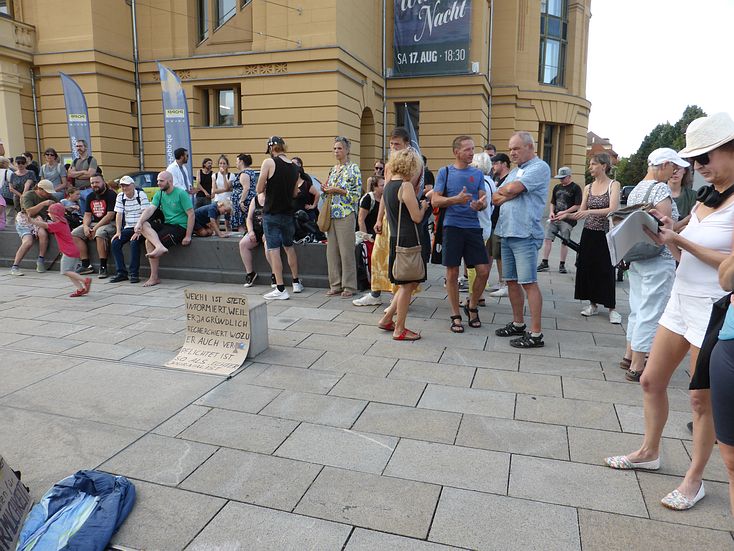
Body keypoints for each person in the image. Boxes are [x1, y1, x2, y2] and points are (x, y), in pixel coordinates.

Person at [604, 112, 734, 511]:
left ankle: (694, 480)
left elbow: (728, 268)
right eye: (694, 159)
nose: (698, 166)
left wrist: (681, 240)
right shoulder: (708, 197)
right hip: (680, 300)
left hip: (713, 310)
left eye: (705, 157)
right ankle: (650, 451)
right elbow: (683, 254)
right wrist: (667, 235)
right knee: (650, 379)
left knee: (700, 401)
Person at [620, 148, 686, 381]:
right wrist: (686, 222)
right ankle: (637, 365)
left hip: (639, 256)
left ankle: (629, 355)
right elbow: (664, 230)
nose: (675, 172)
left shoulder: (637, 188)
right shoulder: (660, 189)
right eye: (674, 167)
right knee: (651, 311)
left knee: (638, 308)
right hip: (658, 258)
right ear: (664, 164)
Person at [492, 131, 551, 347]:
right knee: (511, 281)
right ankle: (518, 324)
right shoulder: (516, 171)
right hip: (506, 231)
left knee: (528, 282)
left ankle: (536, 334)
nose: (512, 153)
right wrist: (509, 191)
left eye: (516, 148)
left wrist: (510, 190)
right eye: (510, 149)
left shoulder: (539, 167)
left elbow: (512, 188)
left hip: (525, 233)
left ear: (529, 147)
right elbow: (495, 197)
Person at [354, 128, 420, 307]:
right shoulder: (391, 164)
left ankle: (399, 297)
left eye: (397, 144)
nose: (393, 147)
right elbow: (385, 193)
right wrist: (379, 218)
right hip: (388, 217)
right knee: (378, 255)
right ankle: (376, 294)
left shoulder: (413, 164)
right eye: (391, 144)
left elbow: (406, 191)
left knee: (399, 257)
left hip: (401, 217)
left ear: (407, 144)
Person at [431, 135, 489, 333]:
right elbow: (435, 201)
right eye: (467, 149)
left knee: (483, 271)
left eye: (473, 149)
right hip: (452, 226)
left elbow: (483, 199)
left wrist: (481, 205)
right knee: (452, 272)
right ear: (456, 152)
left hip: (472, 226)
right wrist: (455, 199)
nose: (472, 153)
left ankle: (472, 305)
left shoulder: (478, 174)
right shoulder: (445, 172)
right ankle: (455, 314)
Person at [377, 149, 430, 340]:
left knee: (410, 282)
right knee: (407, 286)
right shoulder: (405, 186)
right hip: (408, 240)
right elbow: (416, 217)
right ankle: (399, 329)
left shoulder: (389, 185)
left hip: (396, 238)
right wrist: (424, 206)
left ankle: (387, 319)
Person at [571, 153, 621, 323]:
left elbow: (612, 208)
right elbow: (581, 211)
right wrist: (564, 215)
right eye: (590, 164)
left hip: (605, 233)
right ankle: (592, 304)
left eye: (593, 164)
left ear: (603, 166)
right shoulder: (588, 187)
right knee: (589, 268)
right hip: (589, 232)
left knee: (606, 270)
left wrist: (589, 212)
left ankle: (612, 308)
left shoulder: (614, 185)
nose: (590, 167)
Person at [256, 136, 302, 299]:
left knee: (274, 250)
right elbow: (295, 193)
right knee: (289, 247)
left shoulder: (268, 163)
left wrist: (268, 185)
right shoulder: (295, 167)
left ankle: (280, 289)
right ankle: (296, 282)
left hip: (272, 213)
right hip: (288, 214)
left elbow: (259, 188)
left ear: (271, 148)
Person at [134, 171, 194, 287]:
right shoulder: (159, 194)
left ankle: (154, 277)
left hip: (179, 227)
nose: (158, 183)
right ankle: (159, 247)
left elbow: (191, 214)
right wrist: (139, 223)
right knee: (144, 224)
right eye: (158, 180)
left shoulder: (181, 193)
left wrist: (188, 236)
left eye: (161, 181)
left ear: (169, 181)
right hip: (167, 225)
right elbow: (150, 209)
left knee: (148, 242)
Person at [323, 136, 362, 298]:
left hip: (346, 213)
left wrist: (338, 190)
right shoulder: (333, 169)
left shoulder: (353, 169)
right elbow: (328, 190)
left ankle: (349, 286)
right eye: (334, 148)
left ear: (347, 150)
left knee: (346, 252)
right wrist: (326, 189)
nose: (336, 151)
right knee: (331, 252)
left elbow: (356, 194)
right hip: (332, 213)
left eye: (339, 148)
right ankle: (335, 284)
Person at [28, 203, 92, 297]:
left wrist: (32, 221)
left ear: (55, 214)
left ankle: (85, 281)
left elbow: (45, 225)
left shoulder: (58, 225)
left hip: (69, 252)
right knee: (71, 272)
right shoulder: (63, 221)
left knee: (65, 271)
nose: (49, 215)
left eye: (50, 213)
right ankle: (80, 289)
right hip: (73, 250)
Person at [537, 167, 582, 274]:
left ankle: (562, 264)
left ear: (569, 176)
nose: (561, 180)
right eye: (560, 178)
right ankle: (545, 262)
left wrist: (565, 212)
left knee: (565, 241)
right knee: (548, 239)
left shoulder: (575, 188)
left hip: (567, 220)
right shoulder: (557, 187)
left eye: (563, 178)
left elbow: (577, 205)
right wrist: (551, 212)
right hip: (555, 218)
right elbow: (552, 202)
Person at [71, 174, 117, 278]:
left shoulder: (111, 195)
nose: (94, 185)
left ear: (103, 182)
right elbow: (87, 215)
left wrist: (95, 229)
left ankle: (103, 266)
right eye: (92, 183)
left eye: (97, 182)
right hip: (95, 223)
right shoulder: (90, 196)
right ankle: (86, 265)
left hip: (110, 223)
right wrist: (86, 227)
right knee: (75, 234)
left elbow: (110, 215)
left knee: (100, 233)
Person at [9, 179, 56, 275]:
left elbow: (58, 207)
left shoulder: (50, 197)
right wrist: (43, 204)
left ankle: (40, 260)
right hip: (25, 219)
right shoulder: (28, 195)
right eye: (47, 192)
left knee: (43, 234)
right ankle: (15, 266)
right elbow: (29, 212)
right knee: (28, 241)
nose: (49, 194)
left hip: (40, 220)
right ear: (40, 189)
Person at [109, 175, 150, 284]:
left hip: (142, 226)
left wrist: (138, 230)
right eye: (122, 186)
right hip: (128, 227)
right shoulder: (120, 196)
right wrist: (118, 231)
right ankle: (121, 273)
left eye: (126, 185)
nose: (124, 188)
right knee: (115, 242)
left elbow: (145, 213)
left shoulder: (140, 194)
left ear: (133, 185)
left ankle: (134, 274)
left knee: (134, 242)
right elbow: (119, 214)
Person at [487, 153, 511, 297]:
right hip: (496, 220)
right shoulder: (497, 179)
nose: (493, 167)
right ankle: (501, 281)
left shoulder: (509, 179)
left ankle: (506, 285)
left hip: (504, 221)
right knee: (496, 254)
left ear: (504, 164)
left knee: (502, 255)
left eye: (495, 163)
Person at [240, 191, 268, 287]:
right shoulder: (255, 199)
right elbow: (249, 218)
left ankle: (275, 274)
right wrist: (251, 231)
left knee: (268, 245)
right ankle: (250, 273)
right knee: (243, 244)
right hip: (256, 230)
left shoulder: (274, 198)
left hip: (269, 230)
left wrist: (267, 233)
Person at [668, 164, 698, 232]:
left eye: (678, 168)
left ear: (684, 170)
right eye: (672, 168)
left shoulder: (693, 195)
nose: (675, 172)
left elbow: (694, 220)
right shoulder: (657, 193)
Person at [232, 154, 255, 231]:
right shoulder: (250, 171)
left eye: (237, 161)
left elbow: (246, 188)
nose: (236, 163)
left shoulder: (244, 173)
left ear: (241, 162)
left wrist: (241, 201)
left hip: (244, 202)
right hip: (248, 200)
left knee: (242, 223)